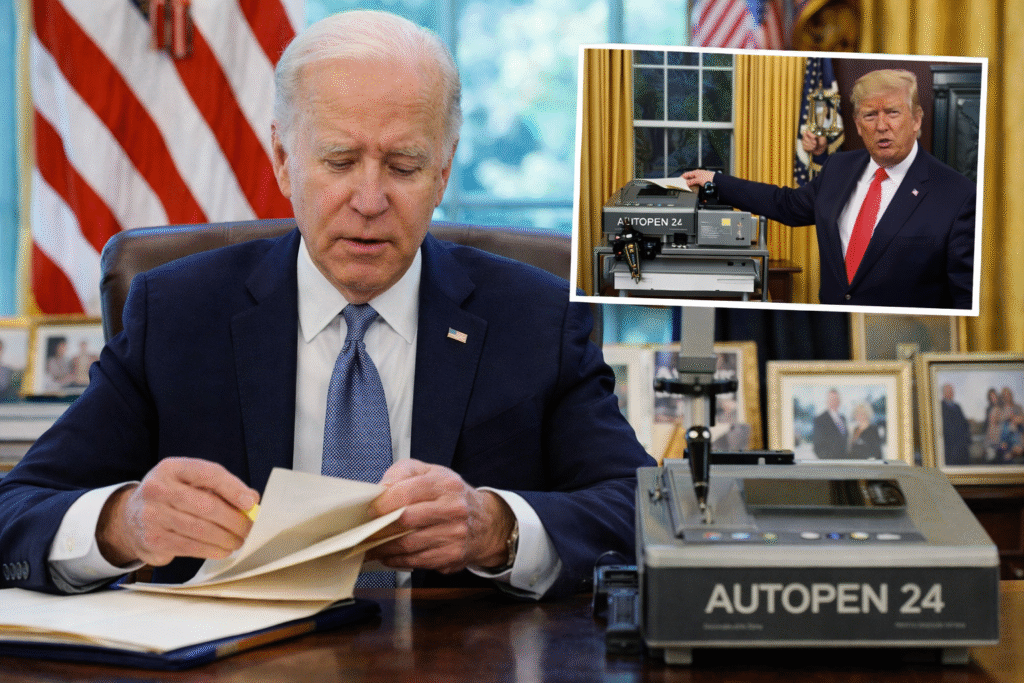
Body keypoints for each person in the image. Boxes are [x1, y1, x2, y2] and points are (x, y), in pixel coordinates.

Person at [0, 11, 653, 600]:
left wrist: (497, 527)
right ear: (283, 160)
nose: (369, 200)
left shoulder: (534, 318)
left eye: (403, 166)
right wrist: (125, 522)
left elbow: (643, 511)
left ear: (445, 169)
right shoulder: (176, 314)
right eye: (339, 161)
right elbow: (16, 510)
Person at [682, 69, 974, 309]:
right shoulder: (840, 168)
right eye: (870, 115)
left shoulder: (957, 194)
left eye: (893, 112)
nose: (882, 125)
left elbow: (963, 296)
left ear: (917, 120)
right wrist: (714, 180)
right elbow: (785, 204)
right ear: (858, 125)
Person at [940, 383, 972, 465]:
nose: (951, 393)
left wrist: (967, 440)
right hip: (950, 450)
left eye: (952, 391)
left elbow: (965, 425)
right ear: (943, 393)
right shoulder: (939, 407)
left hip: (963, 449)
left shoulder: (957, 406)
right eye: (948, 391)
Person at [812, 388, 848, 459]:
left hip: (844, 462)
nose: (834, 401)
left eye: (836, 399)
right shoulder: (820, 420)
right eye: (831, 399)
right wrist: (829, 463)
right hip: (830, 464)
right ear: (827, 401)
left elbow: (844, 440)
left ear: (839, 401)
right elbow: (817, 447)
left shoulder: (843, 418)